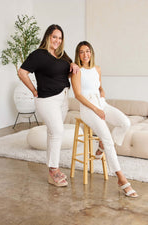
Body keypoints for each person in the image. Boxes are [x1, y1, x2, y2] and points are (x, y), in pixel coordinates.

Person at [71, 41, 138, 197]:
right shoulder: (76, 71)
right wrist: (95, 109)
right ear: (78, 55)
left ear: (92, 53)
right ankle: (121, 178)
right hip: (88, 108)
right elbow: (78, 95)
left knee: (125, 122)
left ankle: (100, 145)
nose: (85, 54)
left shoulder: (97, 69)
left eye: (88, 51)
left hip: (101, 103)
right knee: (108, 138)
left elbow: (98, 86)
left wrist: (102, 90)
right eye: (82, 52)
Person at [18, 24, 79, 187]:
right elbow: (22, 72)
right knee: (57, 132)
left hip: (63, 98)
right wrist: (33, 90)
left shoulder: (62, 54)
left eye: (60, 38)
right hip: (47, 100)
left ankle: (52, 170)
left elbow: (68, 68)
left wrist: (73, 65)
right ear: (47, 37)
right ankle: (53, 170)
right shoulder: (39, 54)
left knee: (53, 133)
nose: (57, 41)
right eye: (54, 37)